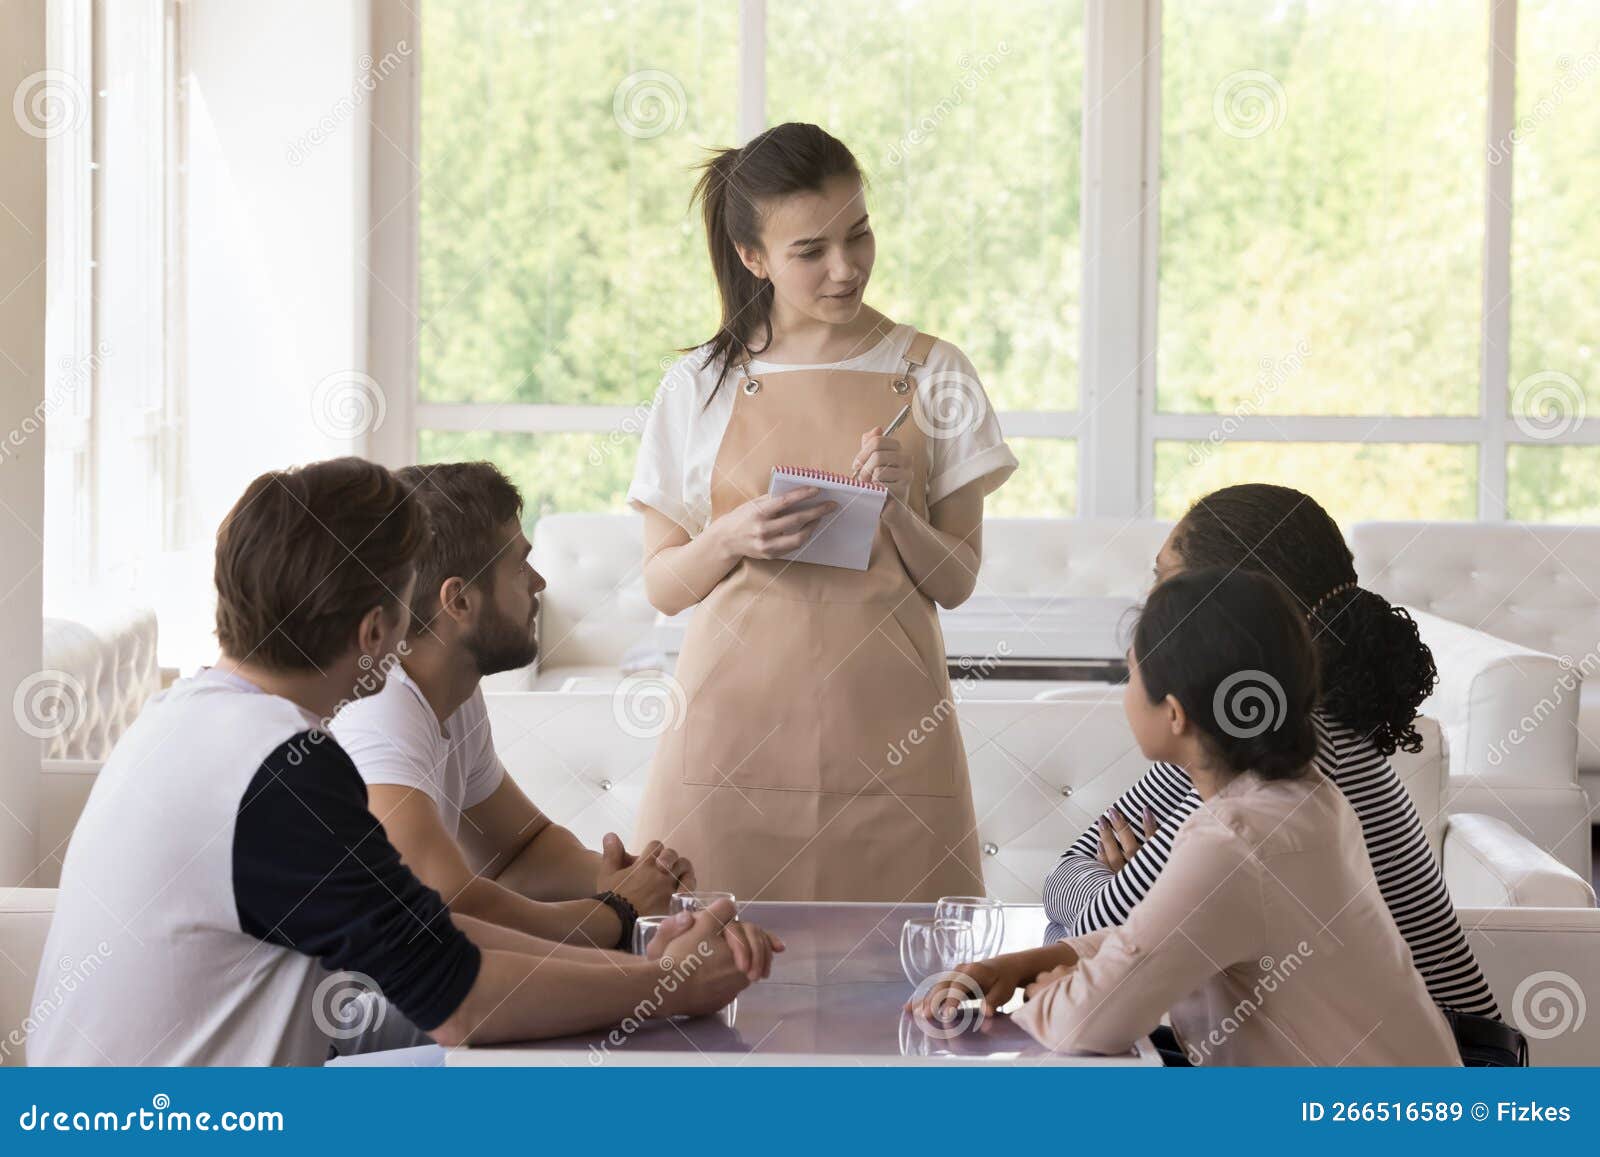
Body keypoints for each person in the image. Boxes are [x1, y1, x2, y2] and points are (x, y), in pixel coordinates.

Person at [29, 458, 775, 1066]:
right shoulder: (283, 769)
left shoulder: (189, 719)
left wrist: (640, 964)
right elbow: (460, 1000)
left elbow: (433, 940)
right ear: (377, 628)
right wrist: (666, 985)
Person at [627, 122, 1017, 902]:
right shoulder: (698, 386)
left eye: (860, 234)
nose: (846, 269)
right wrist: (732, 534)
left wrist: (897, 511)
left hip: (893, 743)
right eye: (810, 251)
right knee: (708, 983)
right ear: (754, 258)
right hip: (729, 737)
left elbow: (958, 579)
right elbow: (663, 587)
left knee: (901, 987)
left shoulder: (934, 371)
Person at [914, 568, 1463, 1066]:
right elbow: (1153, 940)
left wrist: (1046, 991)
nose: (1126, 693)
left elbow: (1089, 1021)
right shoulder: (1302, 797)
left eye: (1130, 676)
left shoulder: (1235, 840)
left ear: (1173, 713)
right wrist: (1031, 962)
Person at [1041, 483, 1499, 1020]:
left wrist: (1116, 882)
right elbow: (1077, 885)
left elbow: (1105, 922)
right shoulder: (1239, 728)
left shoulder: (1290, 749)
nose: (1151, 607)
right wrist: (1110, 889)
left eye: (1164, 580)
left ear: (1226, 605)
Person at [331, 462, 695, 956]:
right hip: (354, 1009)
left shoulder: (452, 691)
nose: (540, 582)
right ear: (458, 601)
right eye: (520, 565)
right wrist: (614, 911)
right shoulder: (380, 709)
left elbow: (519, 851)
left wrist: (626, 879)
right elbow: (445, 906)